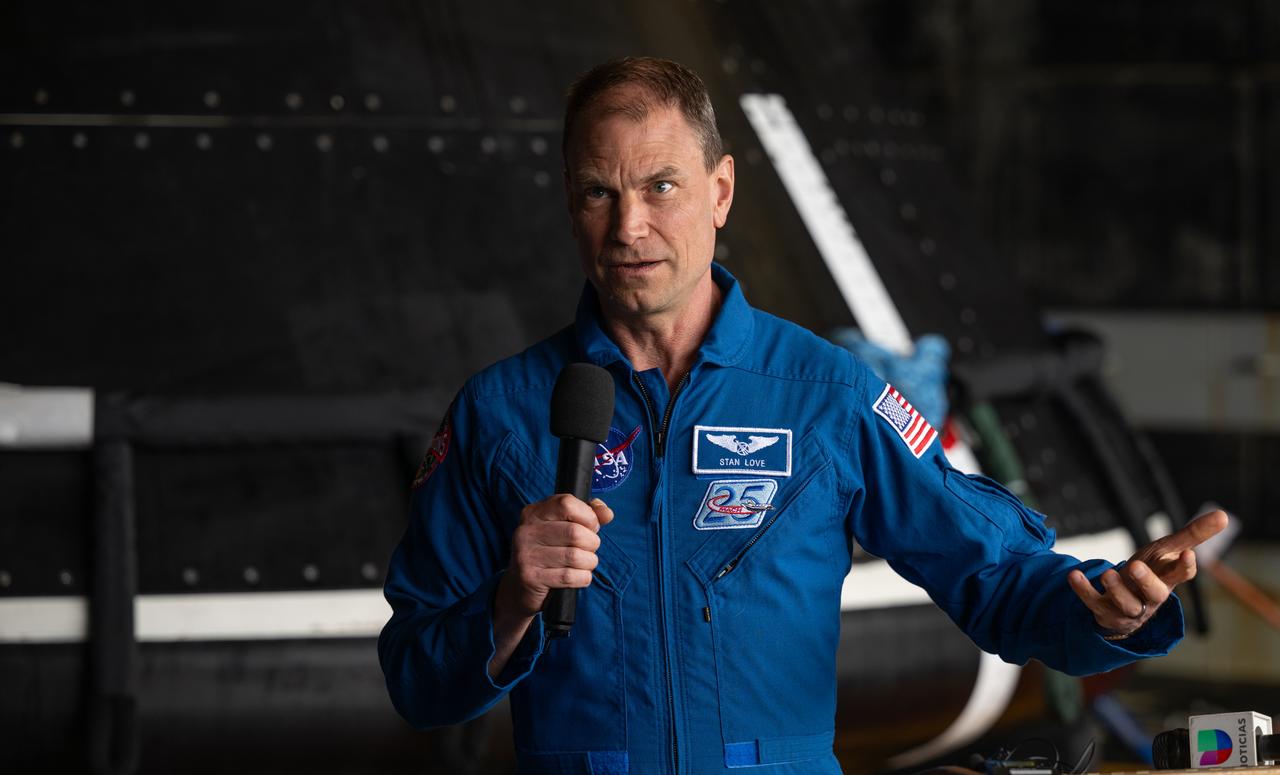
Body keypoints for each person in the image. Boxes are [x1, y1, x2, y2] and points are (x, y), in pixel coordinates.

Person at [379, 57, 1226, 775]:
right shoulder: (499, 411)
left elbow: (995, 574)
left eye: (661, 186)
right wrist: (511, 600)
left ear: (720, 190)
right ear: (571, 204)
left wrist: (1108, 611)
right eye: (599, 192)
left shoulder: (827, 392)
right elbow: (418, 681)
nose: (629, 226)